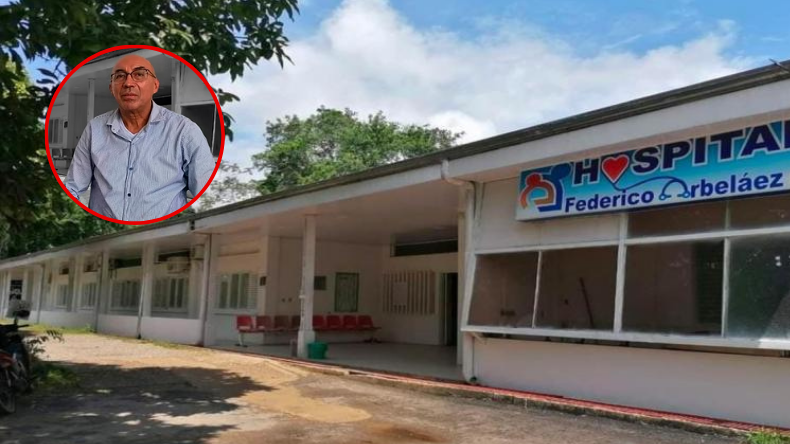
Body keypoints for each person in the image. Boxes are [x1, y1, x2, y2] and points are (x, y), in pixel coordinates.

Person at [64, 54, 216, 221]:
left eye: (139, 74)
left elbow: (207, 196)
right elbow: (72, 188)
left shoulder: (184, 131)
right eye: (120, 76)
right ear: (111, 88)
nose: (128, 83)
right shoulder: (95, 129)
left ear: (155, 85)